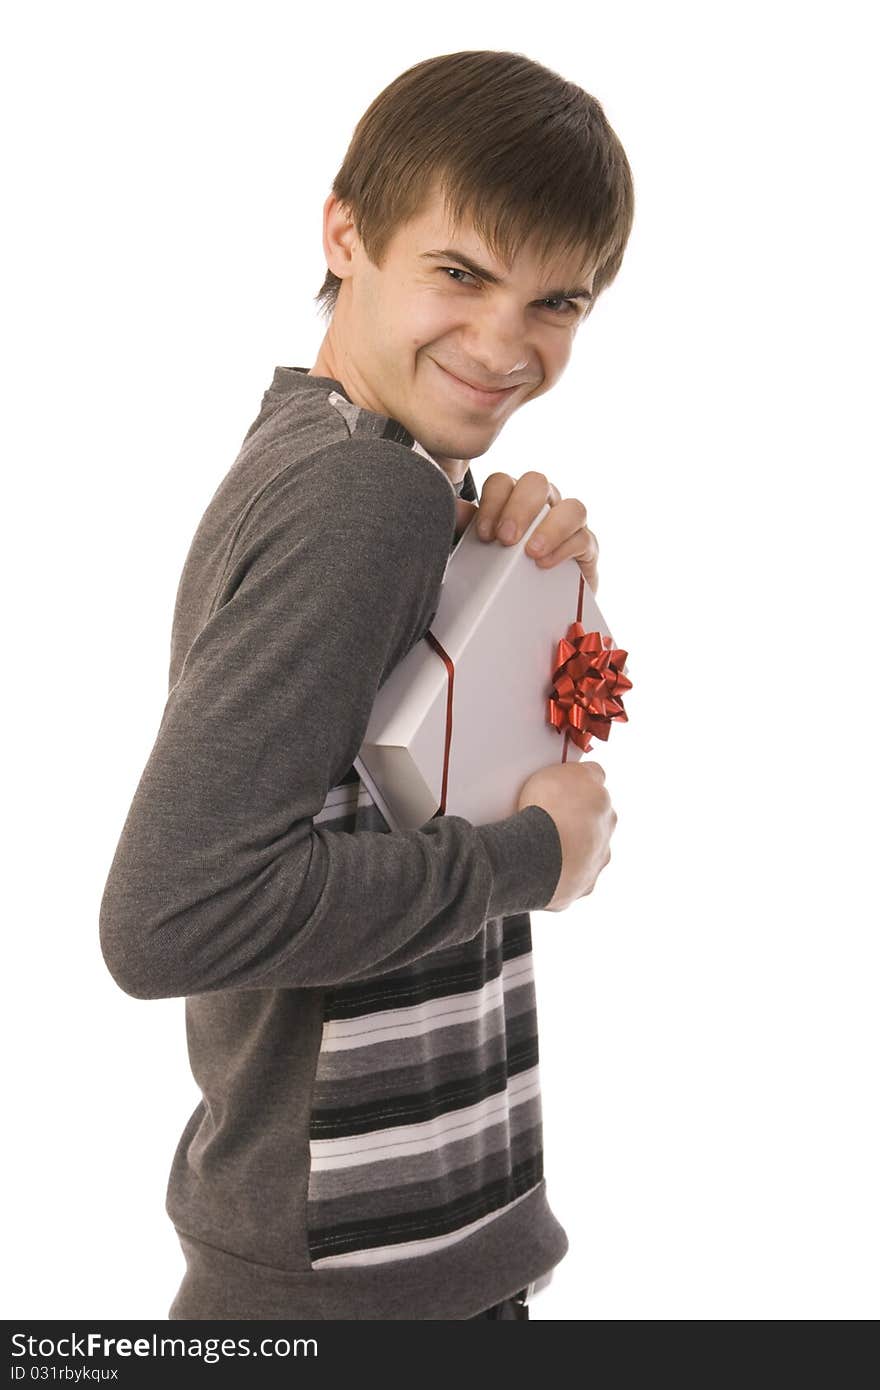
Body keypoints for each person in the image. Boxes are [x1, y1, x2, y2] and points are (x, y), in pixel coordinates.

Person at [99, 48, 633, 1321]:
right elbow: (171, 914)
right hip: (352, 1288)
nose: (505, 346)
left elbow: (365, 788)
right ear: (345, 233)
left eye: (555, 302)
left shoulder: (347, 460)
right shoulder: (366, 493)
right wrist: (530, 859)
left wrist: (502, 591)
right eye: (460, 272)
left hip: (363, 1258)